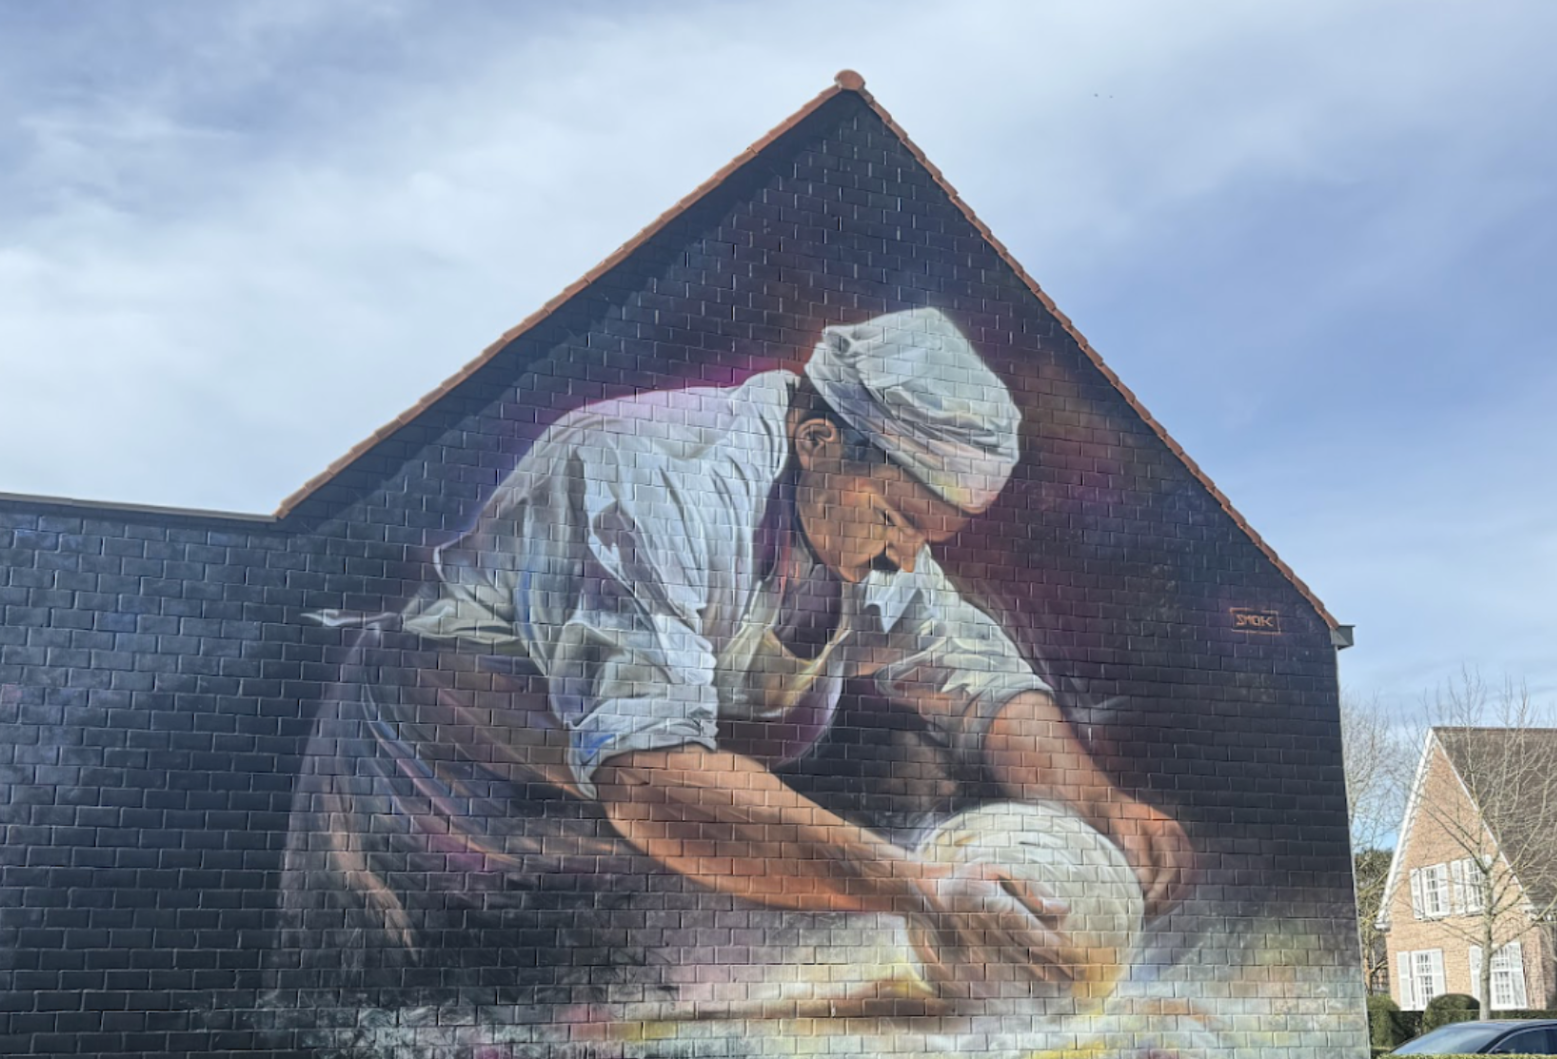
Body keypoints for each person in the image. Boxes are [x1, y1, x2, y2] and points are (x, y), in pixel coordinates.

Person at [279, 307, 1188, 1002]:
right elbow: (651, 780)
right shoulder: (646, 477)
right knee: (403, 1038)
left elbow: (981, 683)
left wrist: (1094, 799)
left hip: (606, 836)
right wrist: (919, 887)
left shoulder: (860, 532)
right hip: (434, 806)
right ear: (818, 439)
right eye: (899, 520)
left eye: (929, 537)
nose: (907, 558)